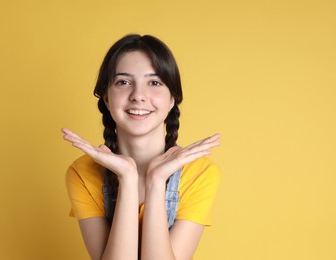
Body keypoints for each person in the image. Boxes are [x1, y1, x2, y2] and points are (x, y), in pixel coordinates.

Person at [62, 34, 221, 260]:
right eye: (123, 82)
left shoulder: (200, 173)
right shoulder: (82, 173)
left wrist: (156, 181)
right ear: (106, 98)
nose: (138, 96)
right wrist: (127, 177)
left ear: (172, 99)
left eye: (154, 83)